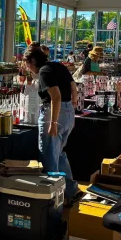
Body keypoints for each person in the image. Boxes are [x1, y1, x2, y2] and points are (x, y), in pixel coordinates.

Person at [23, 45, 82, 206]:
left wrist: (53, 123)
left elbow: (55, 96)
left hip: (53, 113)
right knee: (59, 154)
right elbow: (72, 86)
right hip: (68, 111)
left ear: (33, 60)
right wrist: (72, 106)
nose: (27, 67)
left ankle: (54, 199)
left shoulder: (44, 72)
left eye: (27, 63)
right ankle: (71, 190)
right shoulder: (57, 65)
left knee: (49, 156)